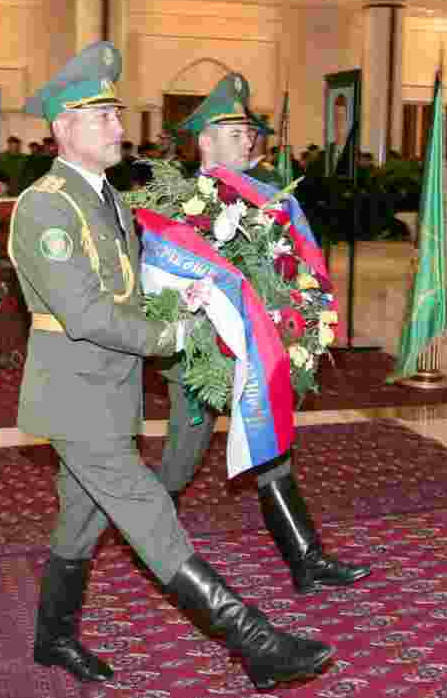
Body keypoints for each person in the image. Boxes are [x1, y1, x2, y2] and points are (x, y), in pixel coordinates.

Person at [10, 42, 332, 690]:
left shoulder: (104, 200)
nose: (118, 128)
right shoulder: (47, 206)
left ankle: (53, 636)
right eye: (100, 117)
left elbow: (125, 290)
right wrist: (174, 330)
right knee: (151, 514)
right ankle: (255, 642)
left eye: (115, 114)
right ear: (63, 128)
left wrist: (181, 297)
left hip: (107, 391)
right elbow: (88, 314)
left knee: (82, 516)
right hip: (76, 397)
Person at [159, 73, 370, 595]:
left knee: (271, 446)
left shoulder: (264, 196)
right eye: (234, 132)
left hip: (259, 349)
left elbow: (285, 268)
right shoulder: (179, 203)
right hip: (202, 353)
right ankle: (135, 537)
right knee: (183, 458)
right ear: (205, 140)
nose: (248, 141)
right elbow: (162, 288)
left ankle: (307, 559)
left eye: (249, 132)